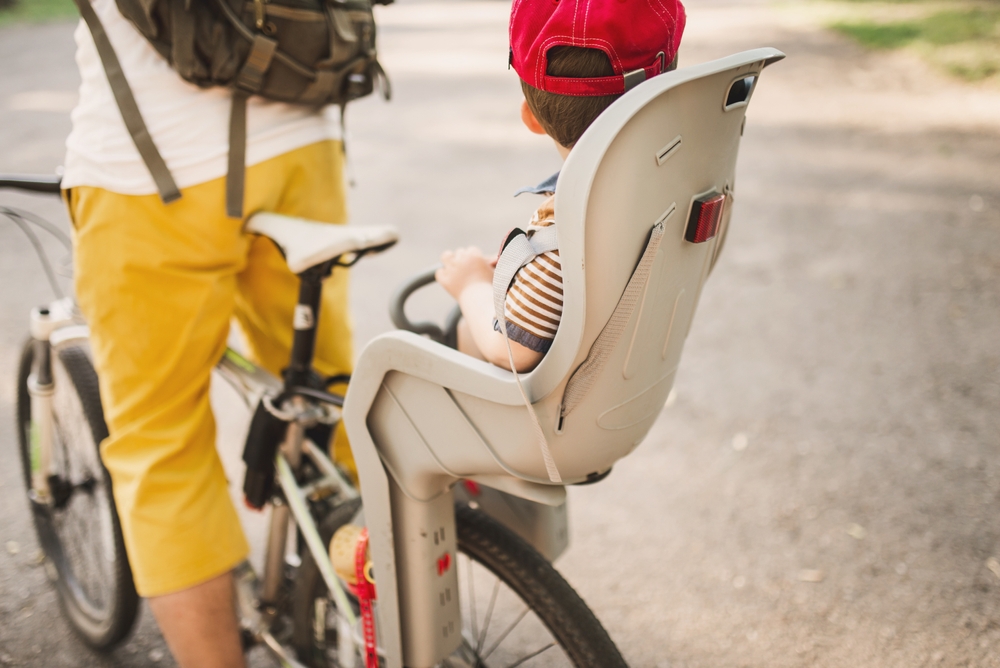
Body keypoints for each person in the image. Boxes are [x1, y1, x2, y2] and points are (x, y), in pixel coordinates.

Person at [63, 1, 354, 666]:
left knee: (159, 441)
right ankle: (392, 614)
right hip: (305, 137)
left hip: (154, 165)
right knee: (335, 403)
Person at [435, 0, 686, 373]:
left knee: (425, 338)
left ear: (531, 117)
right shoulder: (673, 186)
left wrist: (470, 284)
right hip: (624, 383)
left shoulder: (567, 241)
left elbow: (511, 350)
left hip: (514, 417)